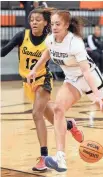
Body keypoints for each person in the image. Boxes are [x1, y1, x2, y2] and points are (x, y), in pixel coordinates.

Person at [27, 10, 103, 172]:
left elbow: (86, 72)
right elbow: (47, 53)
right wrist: (34, 70)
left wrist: (97, 95)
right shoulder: (51, 39)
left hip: (90, 78)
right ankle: (60, 158)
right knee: (58, 109)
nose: (54, 27)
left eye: (58, 24)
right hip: (72, 80)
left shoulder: (75, 42)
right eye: (52, 24)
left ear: (66, 25)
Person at [1, 7, 84, 172]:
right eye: (32, 20)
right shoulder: (22, 36)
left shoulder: (50, 40)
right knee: (53, 119)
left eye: (38, 20)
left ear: (46, 22)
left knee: (36, 114)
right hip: (27, 82)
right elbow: (3, 52)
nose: (34, 23)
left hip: (43, 79)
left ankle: (44, 157)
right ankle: (69, 125)